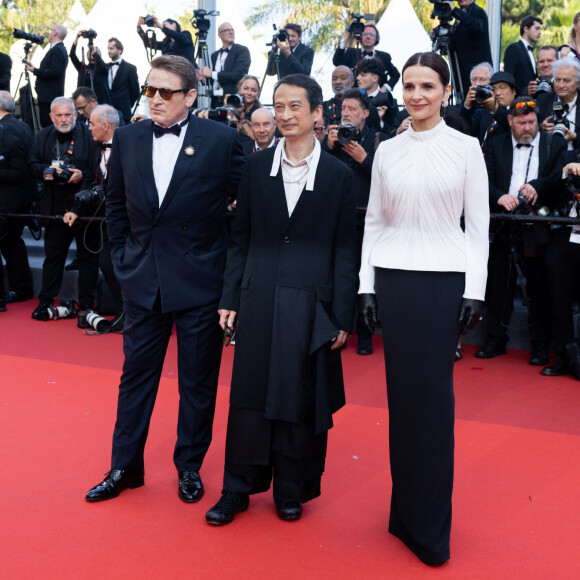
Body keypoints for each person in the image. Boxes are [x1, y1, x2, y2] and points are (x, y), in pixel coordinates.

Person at [85, 55, 244, 503]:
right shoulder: (129, 138)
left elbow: (243, 210)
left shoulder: (222, 140)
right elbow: (115, 205)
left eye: (166, 92)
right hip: (142, 281)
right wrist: (122, 260)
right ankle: (123, 467)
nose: (154, 99)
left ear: (191, 97)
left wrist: (230, 279)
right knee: (135, 377)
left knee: (197, 381)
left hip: (200, 282)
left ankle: (188, 466)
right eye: (149, 90)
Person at [205, 73, 357, 526]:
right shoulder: (254, 168)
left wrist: (342, 314)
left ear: (317, 114)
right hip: (258, 292)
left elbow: (346, 247)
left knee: (300, 394)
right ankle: (236, 488)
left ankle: (291, 488)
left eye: (295, 107)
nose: (285, 115)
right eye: (279, 106)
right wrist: (230, 295)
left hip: (313, 299)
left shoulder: (338, 175)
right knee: (249, 394)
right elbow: (240, 238)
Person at [358, 52, 489, 565]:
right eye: (410, 86)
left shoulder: (467, 148)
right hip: (393, 280)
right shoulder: (387, 150)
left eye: (427, 86)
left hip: (442, 283)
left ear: (445, 89)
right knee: (402, 404)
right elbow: (374, 222)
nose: (416, 95)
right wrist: (366, 286)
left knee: (433, 409)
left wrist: (474, 290)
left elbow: (478, 227)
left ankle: (431, 529)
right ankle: (404, 515)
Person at [476, 97, 567, 363]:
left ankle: (540, 345)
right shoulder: (495, 144)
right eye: (522, 123)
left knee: (539, 287)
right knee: (499, 285)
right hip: (505, 222)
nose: (528, 128)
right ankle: (495, 339)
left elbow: (561, 175)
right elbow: (483, 180)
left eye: (532, 122)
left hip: (539, 225)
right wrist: (500, 196)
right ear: (510, 121)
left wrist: (538, 185)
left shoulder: (554, 144)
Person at [324, 89, 388, 355]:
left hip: (368, 223)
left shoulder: (379, 141)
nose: (346, 113)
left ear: (365, 113)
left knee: (366, 279)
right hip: (337, 220)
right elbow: (319, 176)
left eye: (352, 109)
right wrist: (326, 149)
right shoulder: (333, 142)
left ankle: (364, 334)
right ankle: (336, 330)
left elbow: (390, 182)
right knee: (337, 276)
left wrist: (365, 160)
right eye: (343, 109)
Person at [28, 97, 99, 320]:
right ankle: (46, 300)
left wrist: (81, 175)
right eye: (59, 115)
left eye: (68, 114)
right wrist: (48, 171)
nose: (64, 119)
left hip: (86, 207)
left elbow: (99, 169)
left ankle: (87, 304)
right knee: (53, 257)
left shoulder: (89, 135)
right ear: (51, 117)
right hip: (55, 205)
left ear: (76, 115)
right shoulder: (41, 136)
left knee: (88, 258)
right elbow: (31, 166)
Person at [62, 104, 124, 330]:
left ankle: (131, 313)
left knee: (112, 263)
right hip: (102, 218)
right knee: (106, 264)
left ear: (106, 126)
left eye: (92, 124)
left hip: (126, 218)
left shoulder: (129, 146)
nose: (88, 128)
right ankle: (123, 311)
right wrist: (77, 208)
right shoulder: (95, 147)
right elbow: (90, 177)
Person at [0, 91, 35, 310]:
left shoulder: (6, 131)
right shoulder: (22, 126)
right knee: (12, 244)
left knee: (11, 244)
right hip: (20, 199)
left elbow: (18, 170)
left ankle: (20, 289)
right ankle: (21, 288)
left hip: (8, 201)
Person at [446, 0, 492, 101]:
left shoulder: (478, 12)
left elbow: (477, 26)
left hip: (475, 73)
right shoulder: (461, 15)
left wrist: (454, 11)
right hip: (460, 72)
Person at [333, 23, 400, 91]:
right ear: (361, 37)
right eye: (365, 34)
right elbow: (337, 62)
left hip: (379, 99)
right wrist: (346, 37)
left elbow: (396, 75)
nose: (368, 37)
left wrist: (385, 88)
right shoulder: (352, 53)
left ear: (376, 38)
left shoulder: (384, 57)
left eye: (371, 35)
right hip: (356, 97)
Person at [25, 24, 68, 128]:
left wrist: (35, 70)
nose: (49, 33)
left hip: (49, 97)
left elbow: (54, 71)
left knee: (48, 125)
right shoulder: (57, 49)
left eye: (51, 30)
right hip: (48, 96)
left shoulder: (57, 49)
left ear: (55, 33)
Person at [199, 23, 251, 108]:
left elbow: (238, 75)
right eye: (227, 30)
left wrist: (211, 74)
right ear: (219, 34)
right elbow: (217, 78)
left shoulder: (242, 50)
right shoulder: (214, 55)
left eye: (232, 30)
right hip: (216, 100)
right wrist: (204, 79)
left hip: (233, 101)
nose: (231, 32)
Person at [92, 38, 140, 125]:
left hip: (123, 112)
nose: (109, 51)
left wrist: (127, 104)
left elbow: (135, 92)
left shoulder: (130, 68)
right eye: (108, 48)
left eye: (111, 48)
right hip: (105, 112)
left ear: (119, 50)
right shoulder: (104, 67)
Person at [537, 58, 580, 151]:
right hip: (549, 160)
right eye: (557, 80)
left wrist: (575, 137)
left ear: (578, 83)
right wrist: (541, 128)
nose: (560, 85)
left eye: (566, 80)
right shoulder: (543, 100)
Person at [504, 15, 543, 95]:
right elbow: (508, 78)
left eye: (540, 29)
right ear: (526, 29)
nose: (540, 32)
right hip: (517, 101)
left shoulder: (531, 51)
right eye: (536, 28)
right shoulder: (514, 48)